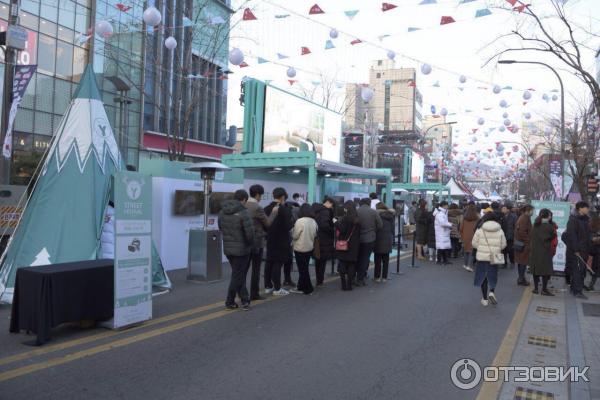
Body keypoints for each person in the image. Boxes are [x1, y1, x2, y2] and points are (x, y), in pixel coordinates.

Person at [218, 189, 255, 310]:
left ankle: (245, 300)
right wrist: (250, 245)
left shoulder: (222, 212)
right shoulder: (244, 212)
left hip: (228, 248)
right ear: (244, 199)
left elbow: (221, 228)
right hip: (242, 250)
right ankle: (230, 301)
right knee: (238, 275)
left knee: (237, 274)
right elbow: (249, 234)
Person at [245, 184, 277, 301]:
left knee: (244, 268)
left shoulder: (244, 205)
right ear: (258, 194)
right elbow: (268, 223)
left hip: (245, 241)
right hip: (257, 241)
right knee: (256, 269)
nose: (261, 198)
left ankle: (241, 292)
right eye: (261, 195)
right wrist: (273, 212)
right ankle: (254, 293)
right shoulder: (257, 207)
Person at [472, 211, 507, 306]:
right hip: (494, 257)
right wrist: (496, 249)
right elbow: (504, 245)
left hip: (482, 257)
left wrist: (481, 248)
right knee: (492, 275)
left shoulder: (480, 229)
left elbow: (474, 244)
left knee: (483, 277)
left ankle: (484, 299)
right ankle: (492, 292)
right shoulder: (500, 230)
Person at [264, 187, 294, 296]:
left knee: (269, 262)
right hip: (282, 240)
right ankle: (277, 288)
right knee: (278, 263)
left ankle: (268, 286)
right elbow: (288, 226)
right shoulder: (284, 209)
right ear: (283, 197)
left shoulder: (266, 208)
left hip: (270, 239)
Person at [565, 201, 592, 299]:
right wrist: (576, 249)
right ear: (580, 208)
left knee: (581, 270)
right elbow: (572, 236)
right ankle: (577, 291)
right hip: (577, 250)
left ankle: (574, 289)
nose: (588, 209)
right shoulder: (573, 220)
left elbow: (587, 235)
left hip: (584, 249)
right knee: (578, 270)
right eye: (586, 207)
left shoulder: (585, 220)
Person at [290, 204, 318, 295]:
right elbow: (315, 235)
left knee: (303, 270)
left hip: (300, 248)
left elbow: (295, 236)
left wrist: (292, 232)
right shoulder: (314, 221)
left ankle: (308, 289)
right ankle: (300, 286)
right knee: (304, 268)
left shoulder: (300, 221)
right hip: (309, 247)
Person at [529, 209, 557, 296]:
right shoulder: (549, 227)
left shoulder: (535, 225)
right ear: (548, 216)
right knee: (545, 271)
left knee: (535, 270)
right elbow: (553, 235)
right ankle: (544, 289)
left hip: (534, 251)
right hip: (545, 251)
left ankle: (536, 289)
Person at [356, 198, 383, 285]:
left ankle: (353, 276)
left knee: (357, 257)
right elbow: (380, 225)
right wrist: (372, 230)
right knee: (365, 258)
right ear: (369, 203)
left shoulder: (356, 211)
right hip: (369, 238)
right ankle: (361, 277)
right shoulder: (373, 212)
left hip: (357, 238)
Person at [336, 201, 361, 291]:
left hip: (344, 244)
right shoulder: (357, 219)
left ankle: (343, 285)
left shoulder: (345, 218)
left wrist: (336, 223)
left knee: (342, 263)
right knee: (351, 264)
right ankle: (349, 285)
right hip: (354, 245)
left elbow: (342, 230)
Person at [312, 197, 335, 287]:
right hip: (324, 239)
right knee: (322, 261)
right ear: (328, 202)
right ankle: (320, 281)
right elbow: (324, 225)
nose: (331, 207)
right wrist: (331, 231)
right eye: (332, 205)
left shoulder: (315, 209)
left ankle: (319, 279)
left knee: (318, 259)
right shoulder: (325, 211)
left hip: (316, 237)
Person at [374, 202, 395, 282]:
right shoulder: (390, 216)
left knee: (377, 260)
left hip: (378, 239)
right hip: (387, 239)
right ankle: (384, 277)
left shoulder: (376, 215)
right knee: (386, 261)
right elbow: (393, 229)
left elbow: (375, 227)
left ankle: (377, 277)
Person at [515, 204, 534, 286]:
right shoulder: (524, 218)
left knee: (521, 261)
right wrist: (528, 240)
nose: (533, 212)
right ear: (528, 210)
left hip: (521, 243)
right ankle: (521, 279)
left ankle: (521, 278)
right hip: (523, 244)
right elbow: (522, 231)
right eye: (532, 210)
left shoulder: (524, 217)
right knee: (523, 261)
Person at [460, 204, 480, 272]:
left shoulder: (464, 218)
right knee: (472, 252)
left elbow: (461, 228)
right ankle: (469, 265)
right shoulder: (477, 218)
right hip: (474, 236)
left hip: (465, 236)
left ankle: (465, 264)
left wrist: (462, 235)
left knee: (466, 251)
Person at [586, 212, 600, 291]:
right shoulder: (595, 221)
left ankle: (591, 285)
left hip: (596, 248)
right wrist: (594, 239)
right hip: (596, 249)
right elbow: (590, 234)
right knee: (596, 267)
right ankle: (591, 285)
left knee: (596, 267)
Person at [501, 203, 517, 269]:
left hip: (510, 236)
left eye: (504, 208)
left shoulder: (514, 216)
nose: (502, 210)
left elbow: (515, 226)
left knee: (510, 250)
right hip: (502, 235)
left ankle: (512, 262)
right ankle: (504, 263)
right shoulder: (501, 216)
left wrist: (514, 235)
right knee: (503, 250)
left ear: (508, 209)